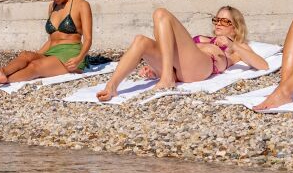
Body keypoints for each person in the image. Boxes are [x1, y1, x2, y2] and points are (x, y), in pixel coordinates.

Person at [96, 6, 268, 101]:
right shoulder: (204, 38)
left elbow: (262, 65)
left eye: (225, 20)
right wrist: (154, 69)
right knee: (141, 40)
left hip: (202, 66)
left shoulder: (236, 46)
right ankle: (111, 87)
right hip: (179, 67)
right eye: (216, 19)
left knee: (161, 14)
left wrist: (233, 45)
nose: (218, 23)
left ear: (235, 26)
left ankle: (166, 78)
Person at [0, 0, 93, 88]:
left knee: (35, 66)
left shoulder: (82, 5)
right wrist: (34, 55)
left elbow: (88, 38)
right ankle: (1, 71)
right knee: (26, 55)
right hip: (52, 52)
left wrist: (79, 59)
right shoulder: (52, 6)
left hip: (70, 55)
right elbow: (51, 40)